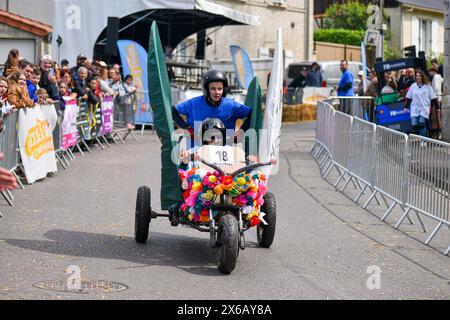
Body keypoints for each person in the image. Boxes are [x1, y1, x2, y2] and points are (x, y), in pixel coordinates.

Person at [172, 70, 252, 144]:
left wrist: (241, 131)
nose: (217, 92)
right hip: (195, 153)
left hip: (224, 154)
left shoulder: (231, 106)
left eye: (220, 89)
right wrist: (188, 129)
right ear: (206, 89)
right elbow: (173, 111)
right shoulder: (193, 104)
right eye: (213, 89)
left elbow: (252, 113)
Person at [404, 70, 439, 138]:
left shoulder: (427, 86)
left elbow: (434, 98)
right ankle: (424, 134)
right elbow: (408, 98)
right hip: (415, 108)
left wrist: (437, 108)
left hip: (424, 108)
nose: (418, 77)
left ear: (422, 77)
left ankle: (423, 139)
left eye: (419, 76)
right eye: (417, 76)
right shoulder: (413, 86)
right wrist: (406, 107)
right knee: (414, 125)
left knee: (421, 124)